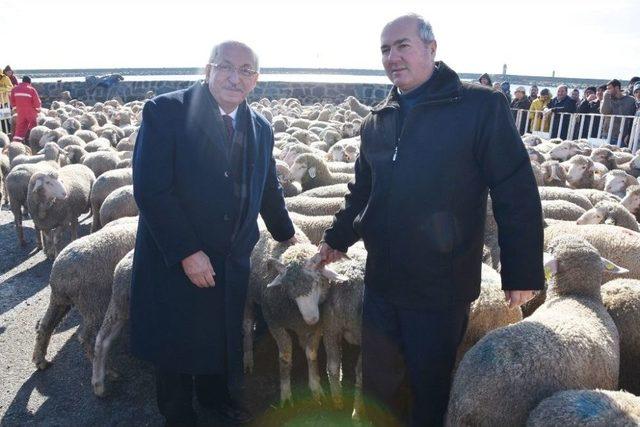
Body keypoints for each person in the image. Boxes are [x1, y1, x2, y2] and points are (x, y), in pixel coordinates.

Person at [317, 14, 544, 427]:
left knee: (429, 386)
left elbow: (514, 190)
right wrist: (335, 237)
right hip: (383, 280)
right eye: (385, 49)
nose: (392, 57)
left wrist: (521, 270)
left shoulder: (479, 108)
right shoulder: (378, 120)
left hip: (441, 284)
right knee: (378, 387)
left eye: (402, 45)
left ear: (431, 48)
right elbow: (364, 192)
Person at [130, 40, 296, 426]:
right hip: (177, 256)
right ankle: (178, 412)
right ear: (207, 70)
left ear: (255, 80)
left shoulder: (260, 127)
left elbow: (268, 187)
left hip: (231, 254)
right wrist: (187, 251)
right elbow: (151, 189)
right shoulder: (166, 112)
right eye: (225, 67)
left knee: (219, 333)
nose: (234, 78)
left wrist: (289, 235)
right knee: (176, 334)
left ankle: (214, 398)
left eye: (245, 70)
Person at [600, 78, 637, 145]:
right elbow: (605, 111)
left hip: (623, 137)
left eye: (609, 88)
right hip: (607, 135)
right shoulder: (607, 98)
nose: (607, 91)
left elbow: (633, 119)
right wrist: (606, 97)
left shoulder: (631, 100)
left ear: (617, 88)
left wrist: (629, 134)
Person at [9, 76, 41, 142]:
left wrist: (15, 108)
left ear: (22, 81)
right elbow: (37, 102)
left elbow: (12, 100)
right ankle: (31, 141)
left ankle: (16, 142)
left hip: (20, 111)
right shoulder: (31, 89)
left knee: (20, 127)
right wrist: (38, 109)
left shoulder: (14, 89)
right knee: (33, 126)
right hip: (30, 111)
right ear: (29, 82)